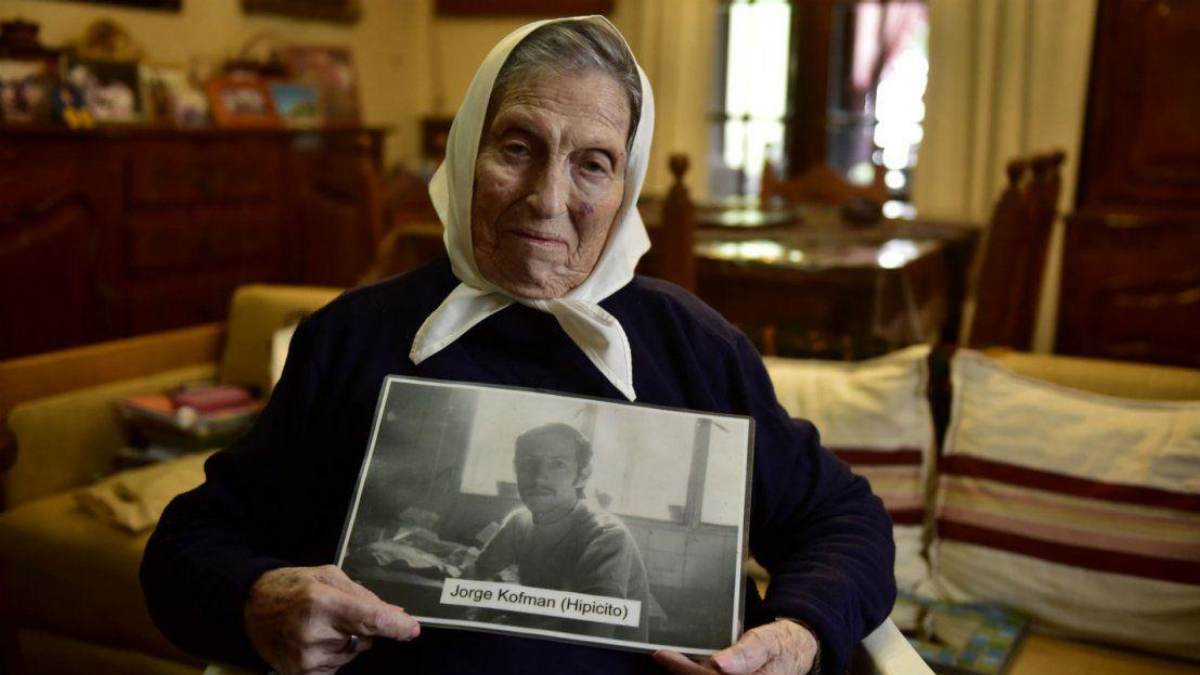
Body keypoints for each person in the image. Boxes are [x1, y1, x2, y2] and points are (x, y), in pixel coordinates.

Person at [141, 16, 895, 675]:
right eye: (517, 146)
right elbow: (189, 543)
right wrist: (257, 601)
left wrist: (796, 636)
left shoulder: (695, 347)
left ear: (626, 182)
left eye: (591, 163)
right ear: (467, 150)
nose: (548, 197)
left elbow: (844, 520)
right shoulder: (352, 338)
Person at [469, 423, 651, 641]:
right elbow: (478, 574)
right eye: (528, 463)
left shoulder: (607, 536)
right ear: (515, 469)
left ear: (583, 476)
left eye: (557, 464)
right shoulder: (519, 521)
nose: (538, 478)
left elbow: (593, 639)